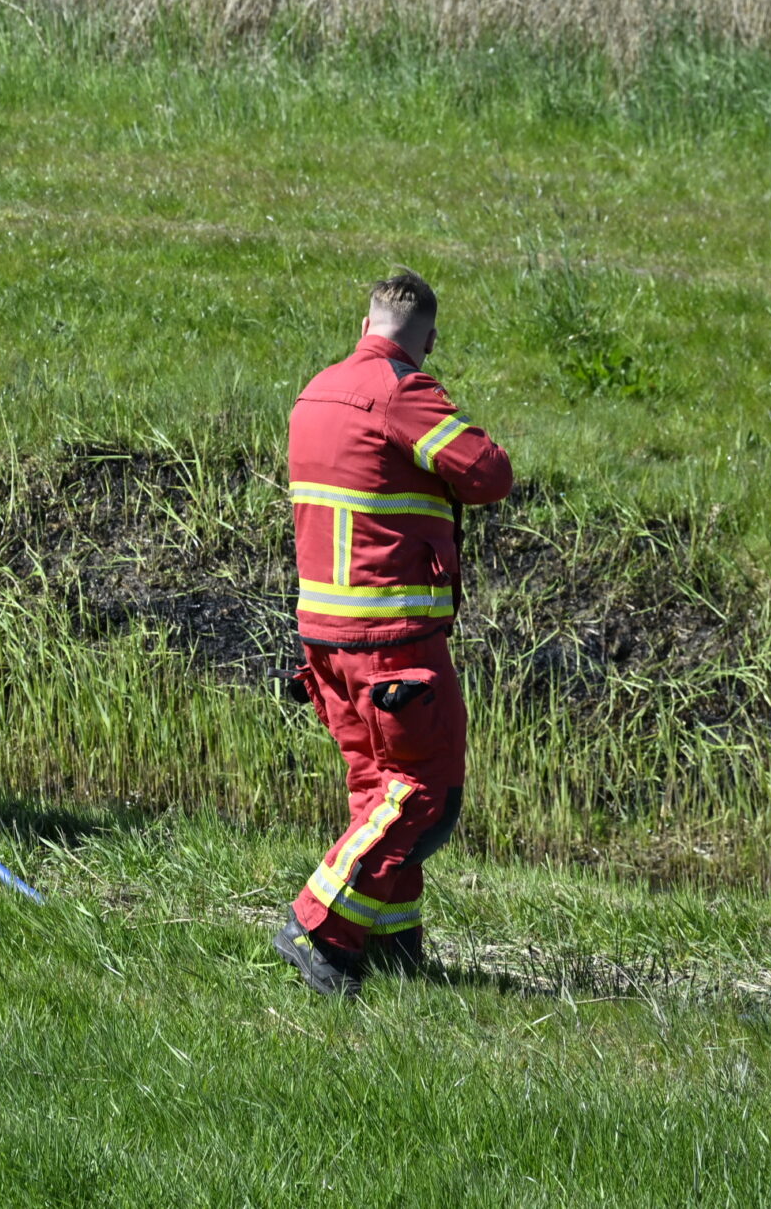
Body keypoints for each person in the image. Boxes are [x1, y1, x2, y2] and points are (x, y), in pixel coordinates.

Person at [274, 269, 512, 996]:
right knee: (423, 792)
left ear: (368, 321)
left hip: (325, 637)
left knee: (375, 792)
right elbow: (487, 471)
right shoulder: (402, 392)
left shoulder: (314, 391)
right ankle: (320, 924)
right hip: (391, 638)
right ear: (426, 339)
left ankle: (394, 943)